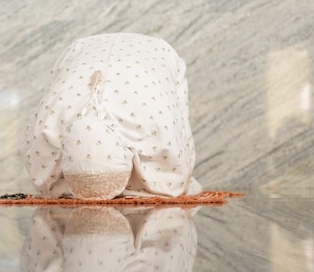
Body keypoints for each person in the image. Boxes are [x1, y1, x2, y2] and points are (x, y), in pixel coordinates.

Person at [20, 33, 202, 200]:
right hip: (79, 54)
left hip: (153, 55)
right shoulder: (46, 131)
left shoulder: (156, 126)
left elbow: (181, 152)